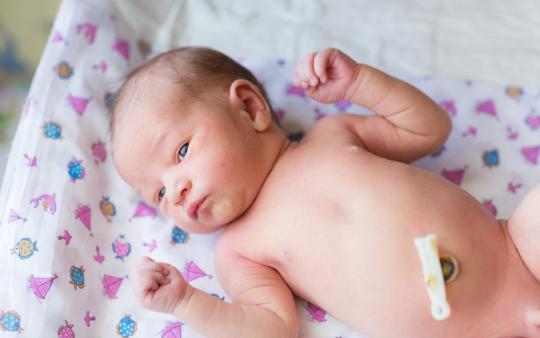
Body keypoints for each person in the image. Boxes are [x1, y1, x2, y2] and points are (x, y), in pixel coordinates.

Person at [110, 46, 540, 338]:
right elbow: (271, 328)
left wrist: (359, 84)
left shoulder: (331, 135)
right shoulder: (239, 251)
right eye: (159, 196)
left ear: (250, 108)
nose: (176, 190)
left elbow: (430, 129)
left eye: (181, 151)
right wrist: (186, 300)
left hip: (516, 245)